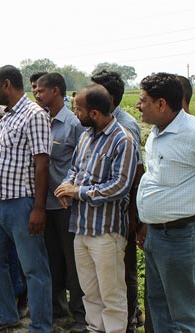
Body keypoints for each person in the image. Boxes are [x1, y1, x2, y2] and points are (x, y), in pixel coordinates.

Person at [0, 65, 53, 332]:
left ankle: (40, 326)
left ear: (6, 84)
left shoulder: (34, 115)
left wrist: (38, 208)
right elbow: (4, 158)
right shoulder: (6, 118)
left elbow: (42, 163)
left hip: (21, 204)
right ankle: (5, 315)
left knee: (33, 268)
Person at [55, 84, 138, 333]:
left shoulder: (123, 140)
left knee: (111, 294)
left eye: (78, 108)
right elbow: (74, 169)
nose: (74, 112)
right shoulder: (85, 136)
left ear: (94, 113)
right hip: (82, 227)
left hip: (106, 232)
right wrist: (66, 185)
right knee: (90, 291)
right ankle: (95, 329)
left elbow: (120, 186)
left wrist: (78, 192)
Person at [136, 72, 195, 332]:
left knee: (184, 312)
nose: (138, 105)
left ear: (161, 104)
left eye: (143, 100)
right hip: (156, 235)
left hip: (180, 237)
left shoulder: (191, 134)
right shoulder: (155, 134)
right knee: (157, 303)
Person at [91, 69, 145, 332]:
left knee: (125, 272)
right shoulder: (96, 125)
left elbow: (135, 174)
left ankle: (130, 319)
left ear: (109, 98)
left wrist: (135, 217)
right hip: (101, 216)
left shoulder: (125, 127)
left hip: (120, 214)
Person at [35, 72, 86, 332]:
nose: (37, 95)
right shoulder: (39, 120)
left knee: (73, 262)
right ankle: (56, 308)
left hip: (67, 207)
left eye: (41, 90)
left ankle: (80, 315)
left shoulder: (74, 124)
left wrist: (68, 188)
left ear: (55, 91)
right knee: (50, 259)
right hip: (43, 205)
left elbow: (80, 164)